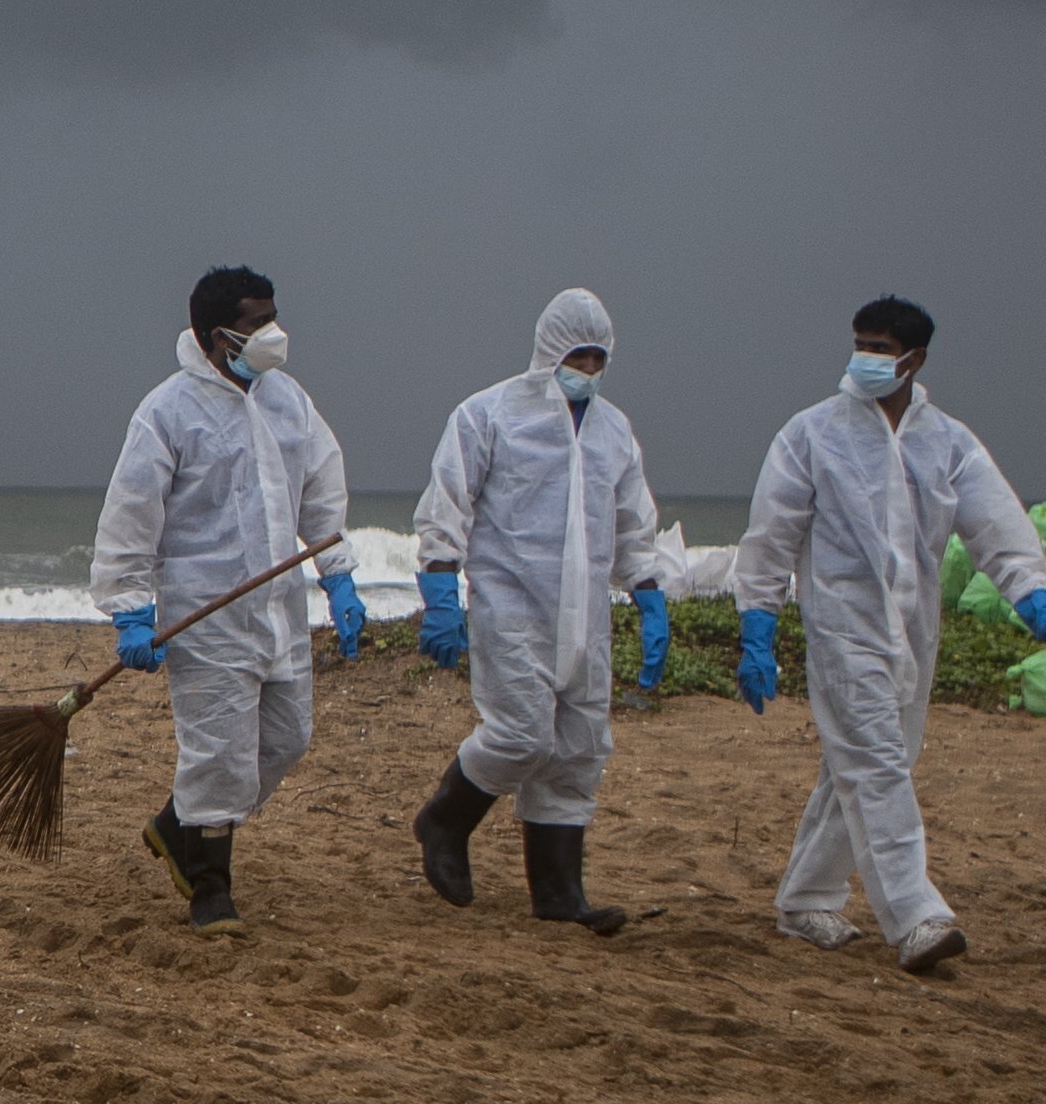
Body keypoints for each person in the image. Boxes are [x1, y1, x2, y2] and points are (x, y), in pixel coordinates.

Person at [729, 295, 1046, 975]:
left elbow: (996, 529)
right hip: (841, 627)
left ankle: (804, 896)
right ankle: (915, 916)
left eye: (882, 349)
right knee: (877, 764)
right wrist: (756, 626)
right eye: (860, 343)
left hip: (912, 632)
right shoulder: (810, 434)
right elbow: (770, 536)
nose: (865, 359)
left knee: (863, 764)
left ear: (915, 359)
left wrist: (1032, 597)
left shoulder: (946, 442)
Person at [90, 266, 356, 928]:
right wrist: (129, 606)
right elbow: (131, 512)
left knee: (286, 739)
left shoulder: (286, 399)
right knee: (217, 750)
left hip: (277, 609)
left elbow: (321, 487)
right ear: (216, 337)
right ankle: (209, 887)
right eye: (255, 323)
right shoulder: (168, 411)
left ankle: (176, 820)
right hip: (203, 613)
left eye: (272, 316)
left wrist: (338, 574)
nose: (272, 333)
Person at [408, 287, 663, 936]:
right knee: (521, 733)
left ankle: (558, 893)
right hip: (511, 603)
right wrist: (439, 585)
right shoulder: (487, 414)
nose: (587, 368)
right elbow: (448, 502)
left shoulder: (613, 430)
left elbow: (632, 520)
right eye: (577, 354)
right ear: (549, 348)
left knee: (578, 748)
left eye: (598, 357)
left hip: (585, 615)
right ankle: (445, 817)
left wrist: (648, 588)